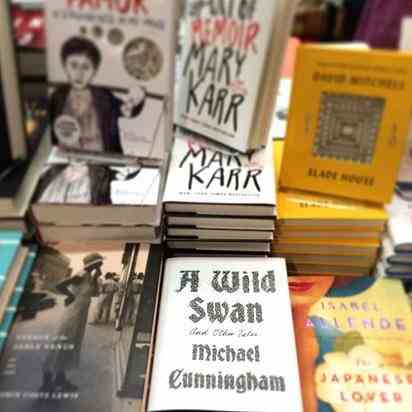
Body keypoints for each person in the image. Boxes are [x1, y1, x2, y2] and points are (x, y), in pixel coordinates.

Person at [49, 36, 145, 153]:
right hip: (67, 159)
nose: (79, 73)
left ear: (94, 71)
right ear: (65, 66)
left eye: (86, 67)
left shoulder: (104, 96)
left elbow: (127, 111)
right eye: (74, 65)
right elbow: (51, 133)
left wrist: (136, 98)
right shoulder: (57, 96)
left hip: (102, 160)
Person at [40, 253, 105, 392]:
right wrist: (70, 295)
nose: (102, 264)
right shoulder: (81, 274)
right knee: (60, 345)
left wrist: (96, 277)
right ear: (94, 263)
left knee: (70, 346)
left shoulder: (89, 276)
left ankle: (60, 379)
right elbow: (60, 285)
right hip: (72, 315)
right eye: (100, 262)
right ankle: (46, 383)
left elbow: (94, 293)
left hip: (80, 316)